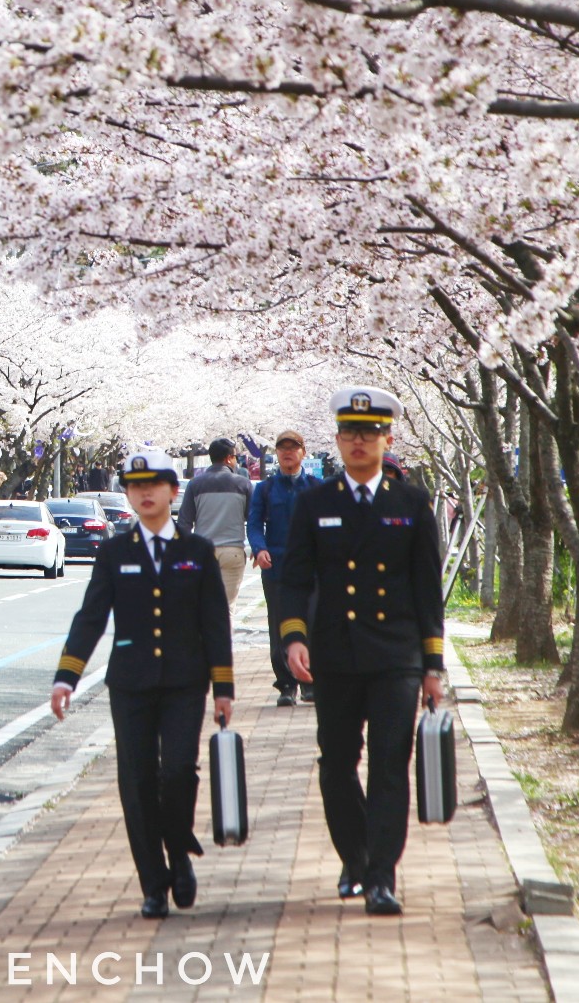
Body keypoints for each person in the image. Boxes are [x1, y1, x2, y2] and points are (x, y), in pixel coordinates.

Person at [277, 387, 446, 918]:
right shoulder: (315, 503)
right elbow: (295, 577)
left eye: (369, 433)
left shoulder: (411, 504)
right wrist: (294, 636)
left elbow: (426, 590)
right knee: (338, 762)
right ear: (337, 439)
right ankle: (355, 854)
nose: (358, 441)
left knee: (391, 763)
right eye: (349, 432)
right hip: (337, 653)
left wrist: (433, 664)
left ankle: (381, 877)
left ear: (386, 439)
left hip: (397, 654)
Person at [50, 448, 235, 920]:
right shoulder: (115, 551)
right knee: (136, 781)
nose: (145, 493)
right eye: (135, 486)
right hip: (130, 682)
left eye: (154, 485)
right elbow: (91, 617)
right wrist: (66, 676)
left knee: (177, 771)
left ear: (175, 492)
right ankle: (154, 883)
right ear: (128, 494)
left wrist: (224, 687)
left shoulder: (197, 551)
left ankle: (178, 852)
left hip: (183, 681)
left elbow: (215, 621)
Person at [247, 430, 319, 706]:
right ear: (277, 453)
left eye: (294, 447)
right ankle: (286, 684)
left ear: (303, 452)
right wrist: (259, 548)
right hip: (276, 568)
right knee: (279, 626)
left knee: (311, 623)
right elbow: (254, 523)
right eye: (283, 448)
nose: (288, 452)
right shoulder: (265, 489)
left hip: (310, 570)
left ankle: (309, 681)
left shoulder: (315, 486)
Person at [175, 437, 254, 607]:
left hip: (202, 553)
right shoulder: (243, 484)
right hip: (232, 551)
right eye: (235, 457)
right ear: (228, 458)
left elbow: (184, 522)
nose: (236, 461)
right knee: (226, 609)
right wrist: (257, 546)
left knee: (204, 607)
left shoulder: (195, 484)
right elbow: (253, 519)